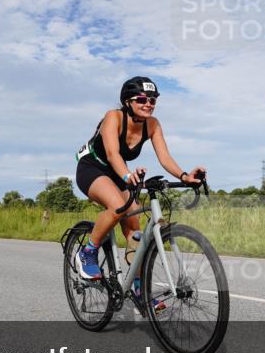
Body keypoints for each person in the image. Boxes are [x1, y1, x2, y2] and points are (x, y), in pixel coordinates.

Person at [74, 77, 205, 309]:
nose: (149, 103)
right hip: (92, 168)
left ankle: (138, 289)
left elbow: (164, 157)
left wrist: (185, 176)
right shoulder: (113, 117)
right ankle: (87, 252)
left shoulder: (152, 124)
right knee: (117, 207)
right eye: (142, 99)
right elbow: (113, 154)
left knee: (135, 230)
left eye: (153, 100)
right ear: (127, 101)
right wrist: (127, 177)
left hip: (118, 172)